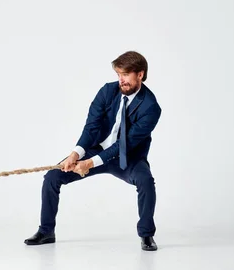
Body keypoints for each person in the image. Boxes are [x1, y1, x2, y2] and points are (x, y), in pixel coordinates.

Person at [24, 51, 162, 251]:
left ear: (140, 75)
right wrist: (76, 155)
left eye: (125, 75)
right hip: (97, 150)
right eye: (118, 75)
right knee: (52, 178)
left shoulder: (151, 107)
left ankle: (147, 235)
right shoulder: (107, 92)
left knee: (146, 181)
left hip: (127, 158)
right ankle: (46, 231)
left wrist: (89, 163)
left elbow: (124, 145)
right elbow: (91, 127)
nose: (121, 80)